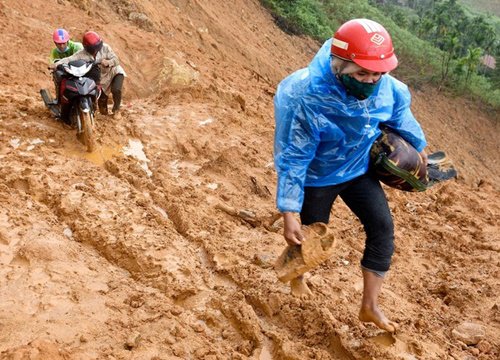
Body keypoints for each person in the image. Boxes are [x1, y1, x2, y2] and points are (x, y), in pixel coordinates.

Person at [273, 19, 428, 333]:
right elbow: (296, 157)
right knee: (308, 236)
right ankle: (297, 278)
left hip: (357, 168)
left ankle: (369, 305)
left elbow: (401, 115)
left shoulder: (387, 88)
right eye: (361, 73)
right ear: (339, 64)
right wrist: (289, 209)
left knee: (383, 228)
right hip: (318, 175)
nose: (370, 80)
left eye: (376, 73)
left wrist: (419, 149)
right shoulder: (308, 98)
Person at [56, 31, 126, 119]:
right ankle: (102, 116)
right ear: (87, 47)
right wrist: (55, 64)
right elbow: (69, 59)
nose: (96, 49)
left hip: (114, 72)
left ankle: (117, 110)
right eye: (94, 47)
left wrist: (109, 62)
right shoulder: (82, 54)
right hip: (102, 78)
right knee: (101, 102)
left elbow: (116, 60)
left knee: (116, 89)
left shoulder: (106, 47)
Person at [48, 28, 83, 104]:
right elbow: (51, 62)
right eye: (59, 44)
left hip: (79, 70)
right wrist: (53, 66)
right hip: (66, 72)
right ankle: (59, 98)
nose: (61, 46)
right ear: (55, 43)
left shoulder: (76, 47)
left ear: (67, 41)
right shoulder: (54, 52)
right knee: (57, 77)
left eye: (64, 43)